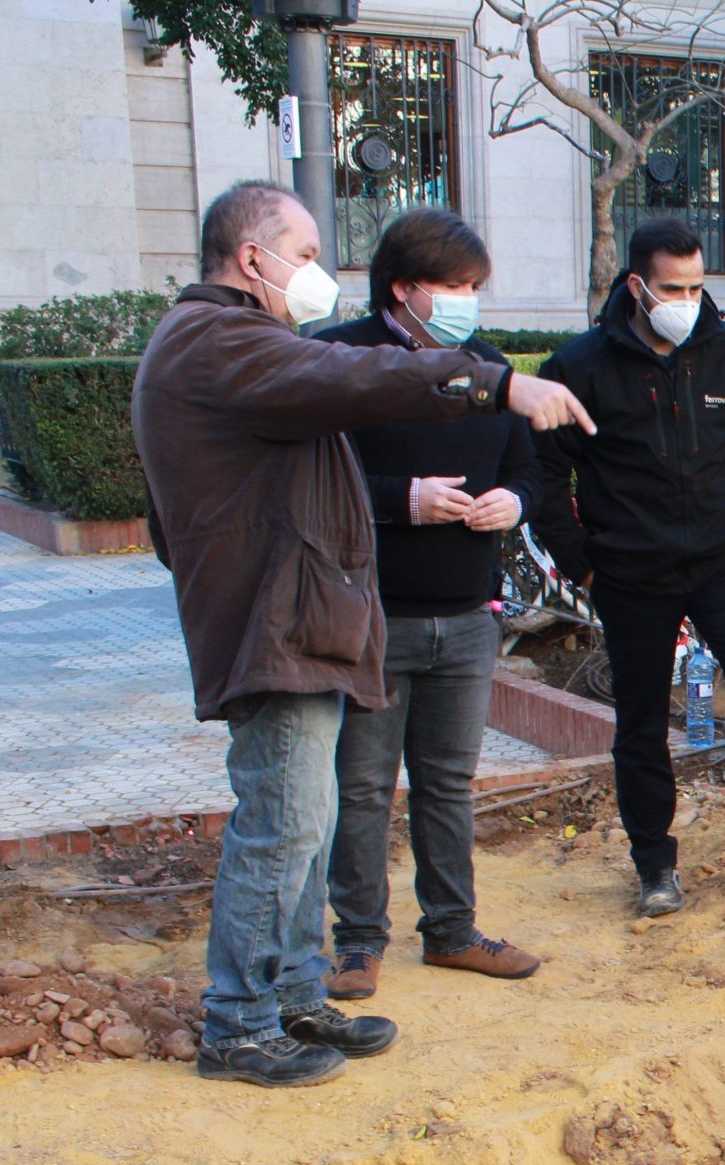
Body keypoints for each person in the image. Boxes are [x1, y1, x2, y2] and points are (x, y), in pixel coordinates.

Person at [132, 181, 593, 1089]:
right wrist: (493, 383)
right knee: (285, 822)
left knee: (302, 822)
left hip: (291, 614)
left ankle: (296, 994)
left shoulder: (232, 346)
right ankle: (239, 1024)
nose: (316, 274)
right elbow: (353, 376)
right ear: (251, 257)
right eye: (304, 254)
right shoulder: (220, 340)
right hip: (277, 621)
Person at [532, 219, 725, 919]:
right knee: (640, 721)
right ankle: (655, 867)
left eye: (695, 286)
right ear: (637, 286)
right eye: (670, 288)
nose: (686, 300)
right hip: (629, 575)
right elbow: (542, 476)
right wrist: (584, 567)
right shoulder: (580, 368)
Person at [314, 209, 542, 1001]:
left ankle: (451, 930)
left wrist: (513, 500)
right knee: (365, 785)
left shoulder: (487, 368)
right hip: (372, 616)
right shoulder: (336, 361)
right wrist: (399, 500)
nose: (467, 300)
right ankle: (356, 944)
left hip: (468, 614)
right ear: (403, 287)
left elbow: (530, 468)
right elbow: (305, 482)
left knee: (448, 782)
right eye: (453, 285)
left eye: (475, 286)